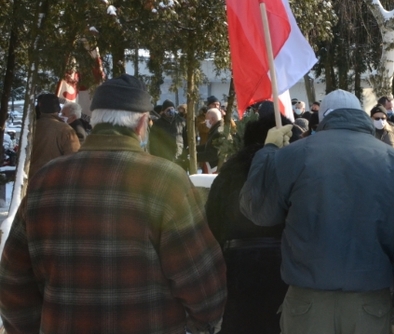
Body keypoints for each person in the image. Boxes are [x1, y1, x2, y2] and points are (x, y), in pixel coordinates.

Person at [0, 74, 226, 333]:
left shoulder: (44, 182)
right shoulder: (166, 181)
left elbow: (13, 280)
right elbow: (202, 280)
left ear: (94, 118)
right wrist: (200, 326)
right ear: (143, 123)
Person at [240, 89, 394, 334]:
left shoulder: (292, 156)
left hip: (306, 307)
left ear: (323, 118)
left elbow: (258, 211)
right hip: (369, 308)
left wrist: (267, 152)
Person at [206, 108, 289, 334]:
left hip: (237, 269)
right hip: (284, 269)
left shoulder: (231, 168)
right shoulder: (291, 167)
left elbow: (213, 217)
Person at [29, 93, 80, 175]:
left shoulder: (29, 128)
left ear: (40, 108)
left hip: (31, 180)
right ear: (58, 109)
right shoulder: (65, 130)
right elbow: (74, 160)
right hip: (54, 181)